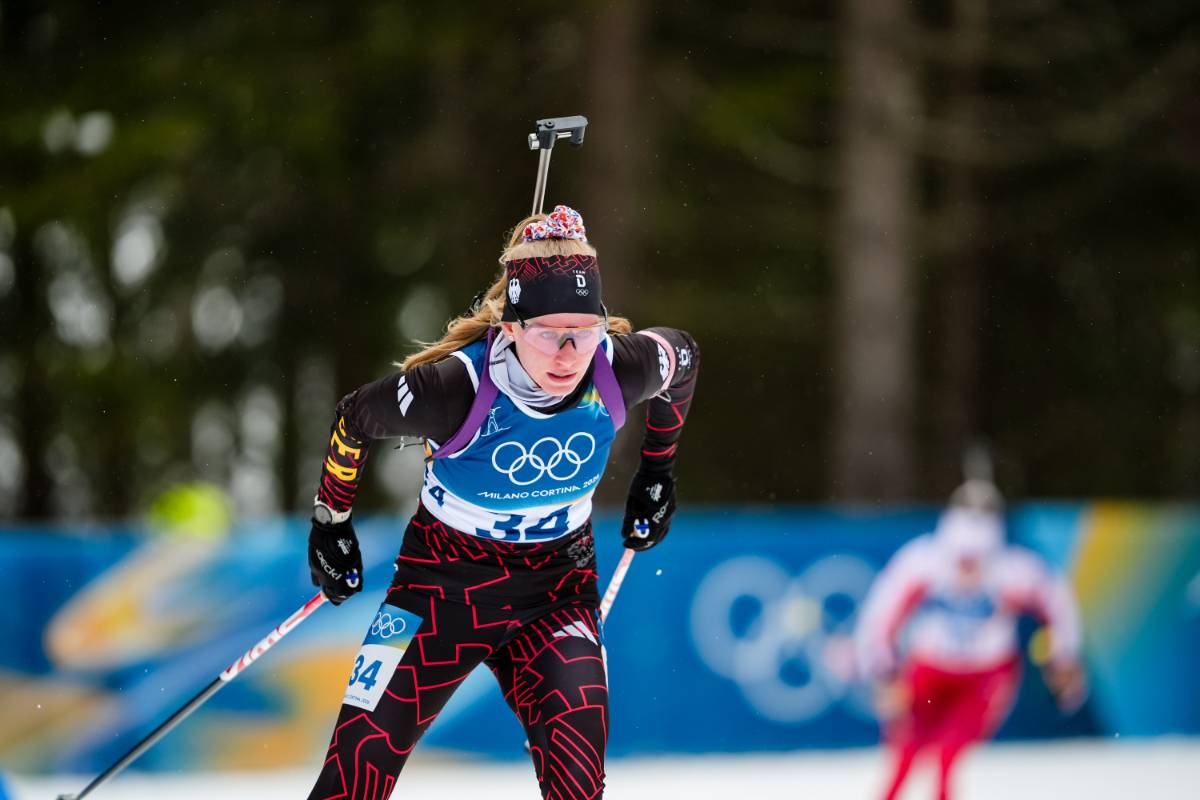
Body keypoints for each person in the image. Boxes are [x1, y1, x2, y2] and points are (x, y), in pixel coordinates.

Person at [304, 205, 699, 800]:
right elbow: (354, 416)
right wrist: (330, 522)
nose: (568, 354)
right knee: (354, 776)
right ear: (510, 328)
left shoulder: (619, 368)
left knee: (578, 782)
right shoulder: (453, 389)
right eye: (548, 333)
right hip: (437, 589)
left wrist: (658, 473)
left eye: (584, 331)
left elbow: (684, 357)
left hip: (556, 593)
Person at [854, 480, 1086, 800]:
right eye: (961, 557)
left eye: (978, 558)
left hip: (985, 677)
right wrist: (884, 671)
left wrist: (1064, 658)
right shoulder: (923, 562)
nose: (968, 568)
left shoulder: (1014, 570)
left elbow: (1058, 604)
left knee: (947, 754)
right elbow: (879, 615)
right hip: (929, 670)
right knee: (905, 751)